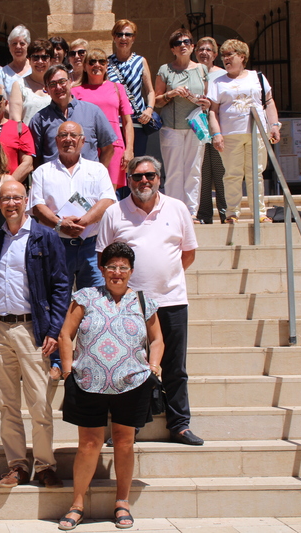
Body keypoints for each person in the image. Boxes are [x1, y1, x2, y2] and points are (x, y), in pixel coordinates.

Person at [96, 155, 203, 446]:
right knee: (129, 366)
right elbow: (102, 259)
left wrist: (164, 280)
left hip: (171, 300)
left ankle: (179, 424)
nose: (144, 181)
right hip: (129, 304)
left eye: (150, 175)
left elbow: (188, 253)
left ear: (159, 178)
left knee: (175, 367)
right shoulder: (114, 213)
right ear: (128, 180)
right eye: (137, 176)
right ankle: (130, 425)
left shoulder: (177, 208)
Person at [57, 242, 164, 531]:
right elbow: (66, 335)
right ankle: (77, 504)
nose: (117, 272)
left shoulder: (142, 301)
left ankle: (122, 502)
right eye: (111, 267)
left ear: (131, 271)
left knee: (124, 443)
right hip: (87, 383)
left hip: (132, 383)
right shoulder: (85, 297)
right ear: (102, 270)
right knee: (88, 445)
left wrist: (153, 368)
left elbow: (157, 339)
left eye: (123, 268)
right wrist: (67, 372)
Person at [0, 179, 70, 489]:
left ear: (27, 200)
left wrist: (54, 328)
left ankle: (45, 465)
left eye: (17, 198)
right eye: (5, 198)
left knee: (39, 403)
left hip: (33, 329)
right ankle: (17, 465)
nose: (11, 204)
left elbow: (61, 285)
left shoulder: (44, 237)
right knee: (7, 404)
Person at [30, 121, 115, 290]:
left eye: (73, 135)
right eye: (63, 135)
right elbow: (37, 206)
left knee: (94, 302)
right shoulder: (42, 171)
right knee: (57, 302)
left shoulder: (98, 169)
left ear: (82, 141)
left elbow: (107, 201)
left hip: (91, 247)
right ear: (56, 140)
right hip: (56, 247)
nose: (68, 139)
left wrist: (81, 223)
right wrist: (60, 225)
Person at [208, 39, 282, 224]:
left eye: (229, 55)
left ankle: (260, 213)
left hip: (256, 132)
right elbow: (212, 110)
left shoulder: (257, 77)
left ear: (242, 56)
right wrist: (216, 134)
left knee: (255, 173)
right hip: (230, 134)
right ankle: (232, 213)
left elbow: (269, 102)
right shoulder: (218, 82)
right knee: (232, 174)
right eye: (223, 55)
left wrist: (274, 125)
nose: (225, 59)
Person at [155, 29, 210, 220]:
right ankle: (174, 212)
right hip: (172, 126)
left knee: (194, 170)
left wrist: (202, 101)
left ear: (192, 46)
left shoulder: (202, 69)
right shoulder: (165, 70)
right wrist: (171, 94)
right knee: (174, 170)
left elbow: (208, 99)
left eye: (187, 42)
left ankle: (191, 213)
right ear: (173, 49)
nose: (183, 45)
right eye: (178, 43)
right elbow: (157, 101)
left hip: (196, 126)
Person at [71, 49, 135, 192]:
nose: (97, 65)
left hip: (114, 147)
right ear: (85, 66)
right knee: (85, 190)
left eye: (102, 61)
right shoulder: (75, 91)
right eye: (92, 62)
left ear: (107, 66)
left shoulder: (117, 88)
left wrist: (129, 149)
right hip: (86, 147)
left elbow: (127, 122)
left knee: (109, 193)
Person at [30, 65, 116, 167]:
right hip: (55, 179)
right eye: (52, 84)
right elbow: (36, 158)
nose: (58, 87)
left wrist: (97, 174)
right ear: (46, 89)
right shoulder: (39, 119)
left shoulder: (93, 112)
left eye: (62, 81)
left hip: (87, 179)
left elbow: (108, 149)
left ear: (70, 82)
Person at [107, 19, 157, 157]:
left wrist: (149, 110)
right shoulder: (106, 63)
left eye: (128, 35)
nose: (124, 38)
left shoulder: (140, 61)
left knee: (137, 163)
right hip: (116, 122)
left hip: (138, 121)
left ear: (133, 38)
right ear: (114, 37)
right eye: (119, 34)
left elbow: (150, 91)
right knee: (118, 163)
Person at [195, 37, 227, 224]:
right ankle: (204, 215)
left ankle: (226, 213)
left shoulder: (222, 75)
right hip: (198, 131)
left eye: (208, 49)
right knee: (202, 174)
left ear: (215, 54)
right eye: (200, 49)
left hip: (219, 131)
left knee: (221, 173)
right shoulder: (191, 72)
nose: (204, 52)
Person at [9, 39, 53, 125]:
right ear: (29, 60)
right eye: (35, 58)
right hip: (28, 136)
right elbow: (15, 120)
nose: (40, 61)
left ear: (51, 60)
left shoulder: (56, 84)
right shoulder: (19, 85)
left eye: (44, 58)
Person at [0, 25, 32, 98]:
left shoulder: (35, 69)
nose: (18, 47)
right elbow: (0, 99)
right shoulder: (1, 73)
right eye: (14, 43)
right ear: (9, 46)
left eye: (22, 43)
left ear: (28, 46)